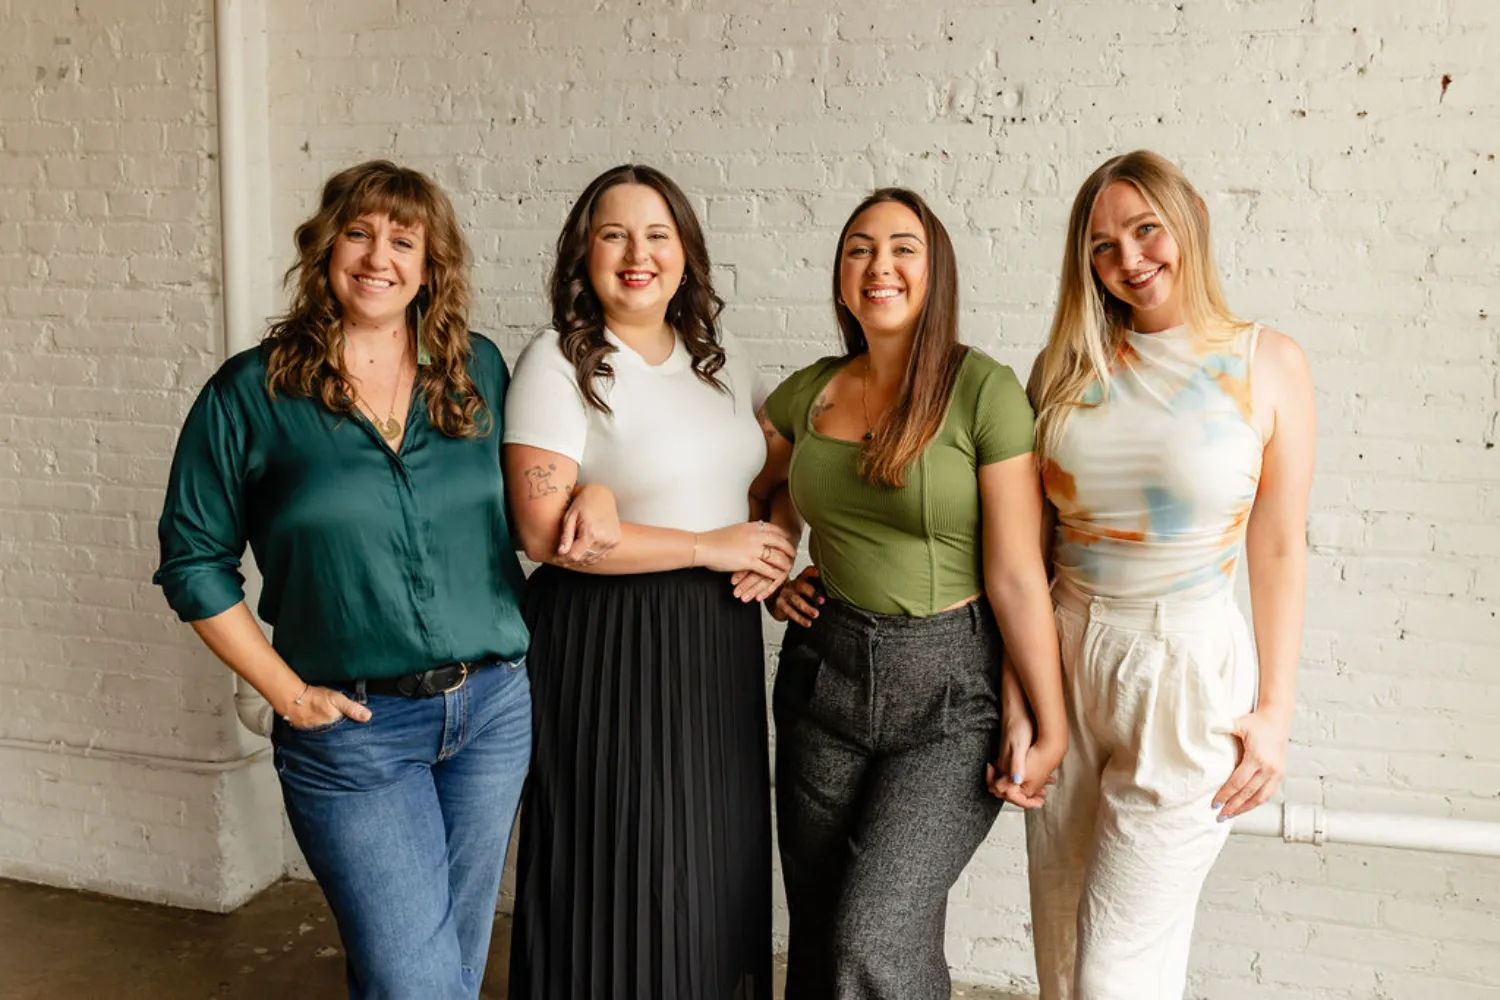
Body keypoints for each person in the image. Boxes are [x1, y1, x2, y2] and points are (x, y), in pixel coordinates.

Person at [153, 160, 534, 1000]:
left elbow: (536, 503)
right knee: (416, 982)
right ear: (326, 248)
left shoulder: (477, 370)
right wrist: (287, 694)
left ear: (430, 265)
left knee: (447, 970)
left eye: (403, 240)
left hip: (493, 713)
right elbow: (192, 560)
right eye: (358, 234)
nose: (378, 257)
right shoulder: (251, 393)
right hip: (354, 731)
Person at [756, 187, 1068, 999]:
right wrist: (773, 566)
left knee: (875, 934)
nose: (879, 265)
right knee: (821, 934)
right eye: (859, 248)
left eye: (903, 248)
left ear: (936, 272)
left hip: (950, 695)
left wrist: (1051, 718)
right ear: (840, 274)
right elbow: (753, 486)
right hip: (823, 675)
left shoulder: (984, 390)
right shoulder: (811, 391)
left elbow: (1017, 572)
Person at [1023, 149, 1317, 999]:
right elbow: (1030, 554)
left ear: (1191, 220)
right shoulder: (1064, 368)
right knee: (1063, 955)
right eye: (1102, 246)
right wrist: (1022, 697)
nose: (1129, 259)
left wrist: (1276, 715)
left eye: (1146, 230)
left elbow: (1278, 546)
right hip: (1065, 656)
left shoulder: (1267, 361)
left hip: (1186, 668)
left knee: (1115, 969)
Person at [503, 163, 795, 1000]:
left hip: (715, 638)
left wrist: (778, 536)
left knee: (710, 862)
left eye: (657, 235)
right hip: (605, 640)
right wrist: (707, 545)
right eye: (615, 235)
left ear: (685, 252)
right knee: (620, 864)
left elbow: (783, 466)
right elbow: (542, 533)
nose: (639, 255)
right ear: (583, 254)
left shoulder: (721, 360)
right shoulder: (558, 361)